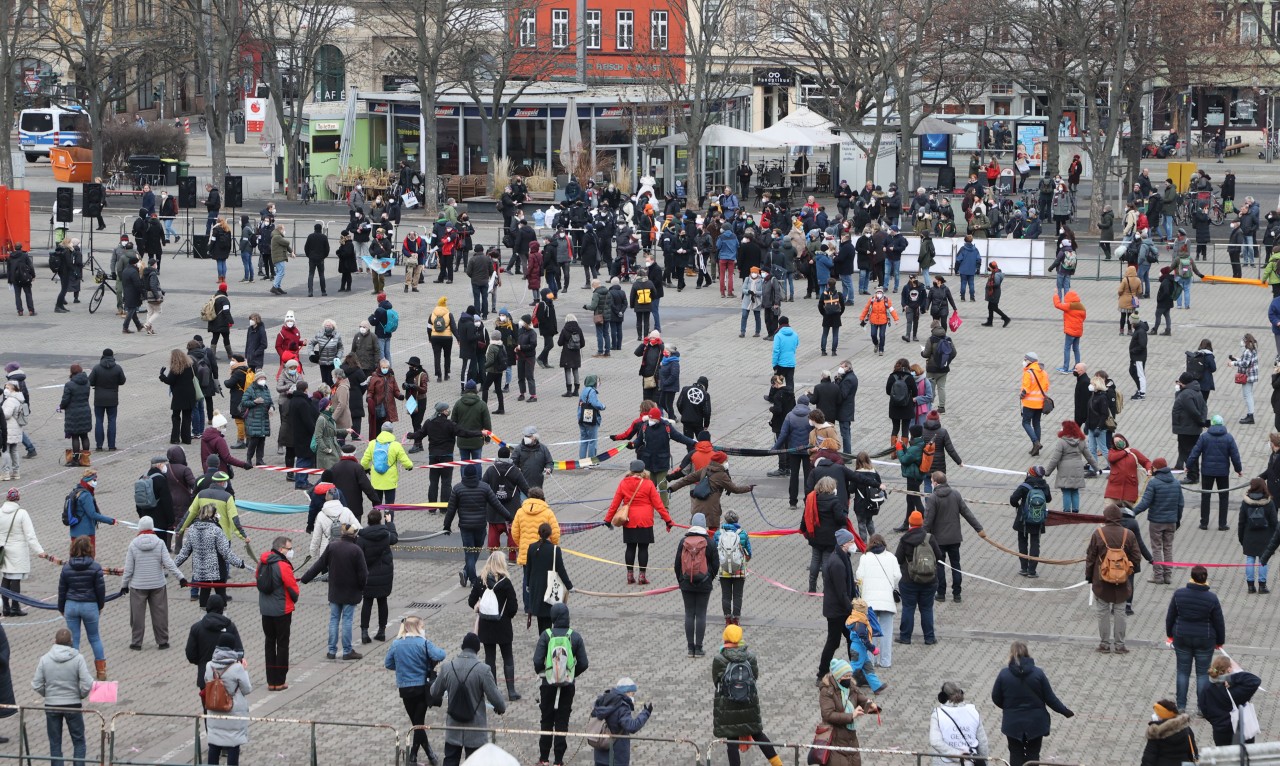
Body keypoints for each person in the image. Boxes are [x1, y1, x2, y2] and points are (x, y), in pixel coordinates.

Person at [991, 641, 1074, 766]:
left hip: (1013, 723)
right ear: (1027, 654)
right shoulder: (1038, 673)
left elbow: (996, 697)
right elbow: (1050, 698)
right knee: (1033, 754)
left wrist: (1008, 707)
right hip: (1036, 723)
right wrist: (1065, 711)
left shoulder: (1004, 674)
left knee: (1015, 753)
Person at [713, 624, 783, 766]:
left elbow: (716, 681)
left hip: (728, 706)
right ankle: (778, 764)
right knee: (758, 734)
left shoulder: (719, 659)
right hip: (748, 702)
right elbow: (754, 677)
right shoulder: (750, 657)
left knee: (732, 742)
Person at [300, 523, 368, 661]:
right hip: (351, 591)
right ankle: (347, 651)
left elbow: (319, 564)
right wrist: (361, 588)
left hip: (335, 590)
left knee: (334, 620)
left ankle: (331, 650)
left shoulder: (332, 547)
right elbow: (363, 574)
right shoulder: (356, 550)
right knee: (347, 621)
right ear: (354, 535)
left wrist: (305, 578)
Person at [384, 616, 446, 766]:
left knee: (417, 722)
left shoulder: (396, 644)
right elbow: (441, 655)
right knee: (418, 724)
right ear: (417, 627)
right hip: (421, 688)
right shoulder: (423, 643)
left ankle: (418, 756)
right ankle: (417, 756)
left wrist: (402, 668)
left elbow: (388, 663)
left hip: (405, 689)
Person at [533, 603, 588, 766]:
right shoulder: (575, 636)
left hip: (547, 685)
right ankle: (558, 761)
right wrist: (570, 675)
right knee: (562, 722)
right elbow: (584, 663)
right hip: (567, 687)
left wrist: (546, 673)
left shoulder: (546, 635)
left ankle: (543, 759)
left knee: (546, 720)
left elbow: (537, 661)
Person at [122, 515, 187, 651]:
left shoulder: (133, 544)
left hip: (138, 586)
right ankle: (162, 641)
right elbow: (169, 563)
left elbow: (128, 569)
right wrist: (181, 577)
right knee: (160, 614)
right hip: (157, 584)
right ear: (152, 527)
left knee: (137, 616)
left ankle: (136, 642)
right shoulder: (159, 543)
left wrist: (124, 585)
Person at [1165, 564, 1225, 712]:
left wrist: (1170, 634)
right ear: (1205, 579)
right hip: (1205, 639)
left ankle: (1181, 706)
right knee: (1203, 673)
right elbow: (1219, 621)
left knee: (1183, 672)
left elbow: (1170, 616)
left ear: (1192, 577)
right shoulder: (1212, 598)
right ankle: (1202, 708)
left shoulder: (1179, 594)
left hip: (1182, 637)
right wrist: (1220, 641)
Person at [32, 628, 94, 766]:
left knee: (55, 742)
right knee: (78, 741)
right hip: (73, 705)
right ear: (71, 642)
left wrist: (48, 695)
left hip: (52, 706)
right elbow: (88, 683)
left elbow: (36, 684)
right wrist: (80, 695)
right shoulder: (78, 658)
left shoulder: (45, 659)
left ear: (55, 641)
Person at [604, 460, 672, 585]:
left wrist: (608, 520)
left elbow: (615, 503)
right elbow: (658, 504)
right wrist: (668, 520)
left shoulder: (623, 483)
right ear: (643, 470)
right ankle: (642, 576)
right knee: (643, 548)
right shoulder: (648, 484)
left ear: (631, 470)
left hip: (629, 519)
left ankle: (630, 575)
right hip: (645, 520)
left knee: (630, 547)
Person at [1085, 503, 1142, 653]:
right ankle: (1119, 645)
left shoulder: (1098, 534)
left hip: (1101, 581)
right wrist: (1128, 570)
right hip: (1122, 581)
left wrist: (1089, 577)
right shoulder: (1128, 534)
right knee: (1120, 612)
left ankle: (1104, 644)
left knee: (1102, 612)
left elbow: (1090, 558)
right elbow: (1137, 557)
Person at [443, 463, 510, 588]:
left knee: (469, 553)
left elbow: (451, 510)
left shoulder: (457, 489)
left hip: (465, 526)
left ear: (464, 475)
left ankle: (467, 573)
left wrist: (446, 526)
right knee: (476, 551)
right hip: (480, 525)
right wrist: (509, 517)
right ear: (476, 475)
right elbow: (497, 505)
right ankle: (473, 579)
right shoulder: (484, 488)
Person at [467, 552, 521, 701]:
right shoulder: (505, 582)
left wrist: (479, 605)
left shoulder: (480, 581)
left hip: (486, 625)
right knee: (507, 657)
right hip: (503, 625)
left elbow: (471, 601)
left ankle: (493, 692)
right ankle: (511, 691)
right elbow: (513, 606)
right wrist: (507, 617)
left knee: (490, 658)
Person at [924, 473, 985, 602]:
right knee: (956, 565)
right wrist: (979, 528)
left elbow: (928, 521)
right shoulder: (955, 494)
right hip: (954, 538)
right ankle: (957, 594)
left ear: (935, 482)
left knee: (939, 566)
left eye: (931, 481)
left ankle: (941, 593)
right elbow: (967, 513)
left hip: (939, 540)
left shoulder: (933, 498)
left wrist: (921, 537)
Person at [58, 536, 108, 680]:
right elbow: (100, 590)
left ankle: (74, 672)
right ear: (90, 549)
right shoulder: (96, 567)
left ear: (73, 549)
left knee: (74, 640)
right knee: (94, 637)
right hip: (90, 605)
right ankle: (101, 671)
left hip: (71, 605)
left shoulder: (66, 567)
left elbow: (62, 590)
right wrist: (100, 606)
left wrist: (61, 607)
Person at [1132, 458, 1184, 585]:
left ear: (1155, 469)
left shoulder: (1154, 483)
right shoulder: (1176, 483)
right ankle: (1168, 576)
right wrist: (1177, 519)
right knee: (1168, 548)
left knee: (1156, 548)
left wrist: (1132, 512)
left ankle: (1158, 576)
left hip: (1156, 522)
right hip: (1171, 521)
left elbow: (1145, 503)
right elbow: (1180, 504)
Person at [256, 537, 298, 691]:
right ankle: (280, 680)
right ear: (281, 549)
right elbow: (292, 587)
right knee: (282, 644)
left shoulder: (262, 562)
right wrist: (295, 598)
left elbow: (257, 580)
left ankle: (271, 681)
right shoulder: (282, 565)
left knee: (269, 643)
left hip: (265, 610)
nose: (291, 551)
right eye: (289, 548)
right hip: (281, 610)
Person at [1187, 414, 1243, 530]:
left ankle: (1204, 523)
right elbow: (1235, 455)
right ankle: (1222, 524)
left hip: (1207, 472)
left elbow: (1195, 453)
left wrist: (1188, 466)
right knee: (1223, 497)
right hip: (1223, 473)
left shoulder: (1204, 437)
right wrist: (1238, 469)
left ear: (1211, 424)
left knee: (1205, 496)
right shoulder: (1228, 438)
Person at [674, 512, 718, 656]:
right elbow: (715, 564)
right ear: (704, 525)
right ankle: (699, 648)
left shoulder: (683, 541)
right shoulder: (710, 542)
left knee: (689, 614)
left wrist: (681, 580)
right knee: (700, 615)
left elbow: (677, 564)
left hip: (686, 583)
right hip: (704, 584)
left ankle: (689, 648)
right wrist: (709, 578)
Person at [203, 633, 251, 764]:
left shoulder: (209, 666)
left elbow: (207, 681)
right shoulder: (237, 668)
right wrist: (244, 669)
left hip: (214, 709)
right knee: (233, 745)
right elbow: (247, 689)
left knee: (214, 744)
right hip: (233, 712)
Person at [589, 677, 653, 766]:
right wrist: (646, 713)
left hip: (600, 755)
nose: (633, 697)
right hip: (616, 757)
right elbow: (631, 727)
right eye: (633, 694)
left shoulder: (603, 701)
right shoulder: (622, 707)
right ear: (628, 692)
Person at [356, 509, 397, 643]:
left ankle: (364, 632)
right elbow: (394, 538)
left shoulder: (361, 538)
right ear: (380, 520)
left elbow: (358, 556)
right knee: (382, 601)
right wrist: (390, 523)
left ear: (367, 520)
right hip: (384, 573)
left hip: (368, 574)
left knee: (367, 602)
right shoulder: (385, 534)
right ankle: (381, 631)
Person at [1201, 655, 1262, 746]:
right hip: (1241, 730)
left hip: (1220, 731)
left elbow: (1204, 709)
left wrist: (1216, 722)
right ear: (1229, 669)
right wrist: (1231, 678)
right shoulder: (1235, 691)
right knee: (1244, 757)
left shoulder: (1206, 686)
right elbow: (1254, 680)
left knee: (1224, 758)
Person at [523, 522, 571, 633]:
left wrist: (528, 585)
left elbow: (528, 568)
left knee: (541, 618)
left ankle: (543, 638)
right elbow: (561, 570)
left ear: (538, 533)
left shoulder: (532, 547)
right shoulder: (555, 550)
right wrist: (569, 586)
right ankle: (549, 640)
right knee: (549, 617)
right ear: (550, 534)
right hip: (550, 588)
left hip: (536, 588)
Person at [930, 681, 990, 766]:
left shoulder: (937, 715)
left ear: (942, 697)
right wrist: (984, 763)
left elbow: (935, 742)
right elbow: (983, 742)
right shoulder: (973, 712)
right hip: (970, 763)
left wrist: (958, 755)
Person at [361, 422, 414, 506]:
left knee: (377, 505)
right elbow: (406, 462)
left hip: (376, 480)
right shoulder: (396, 445)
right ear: (391, 432)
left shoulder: (372, 443)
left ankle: (376, 518)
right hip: (390, 481)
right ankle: (388, 519)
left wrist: (367, 468)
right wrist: (409, 466)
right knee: (389, 506)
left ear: (381, 431)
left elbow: (363, 462)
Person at [1141, 700, 1198, 766]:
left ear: (1162, 716)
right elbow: (1193, 752)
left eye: (1157, 714)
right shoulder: (1186, 729)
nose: (1154, 715)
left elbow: (1149, 758)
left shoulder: (1156, 733)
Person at [1020, 352, 1050, 455]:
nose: (1024, 361)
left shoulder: (1029, 373)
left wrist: (1022, 394)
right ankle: (1036, 449)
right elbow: (1046, 387)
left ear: (1030, 361)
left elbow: (1026, 387)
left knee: (1025, 423)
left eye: (1025, 359)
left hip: (1029, 403)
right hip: (1040, 402)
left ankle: (1036, 442)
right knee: (1036, 423)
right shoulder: (1044, 372)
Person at [1052, 290, 1086, 374]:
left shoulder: (1069, 306)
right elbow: (1083, 318)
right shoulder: (1082, 306)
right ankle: (1077, 367)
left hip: (1070, 331)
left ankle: (1065, 368)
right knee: (1076, 349)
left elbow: (1057, 305)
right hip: (1078, 331)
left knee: (1067, 348)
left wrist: (1056, 294)